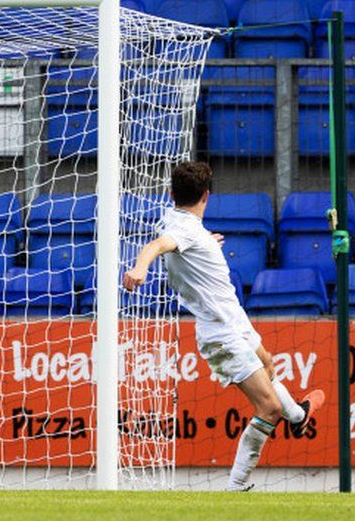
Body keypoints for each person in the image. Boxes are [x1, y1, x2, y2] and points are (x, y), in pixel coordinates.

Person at [123, 161, 324, 491]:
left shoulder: (178, 222)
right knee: (269, 408)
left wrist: (205, 245)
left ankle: (299, 417)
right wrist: (140, 268)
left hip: (235, 319)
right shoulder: (185, 231)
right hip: (221, 330)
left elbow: (175, 244)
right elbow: (156, 247)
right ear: (207, 196)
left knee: (269, 361)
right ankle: (236, 487)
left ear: (172, 194)